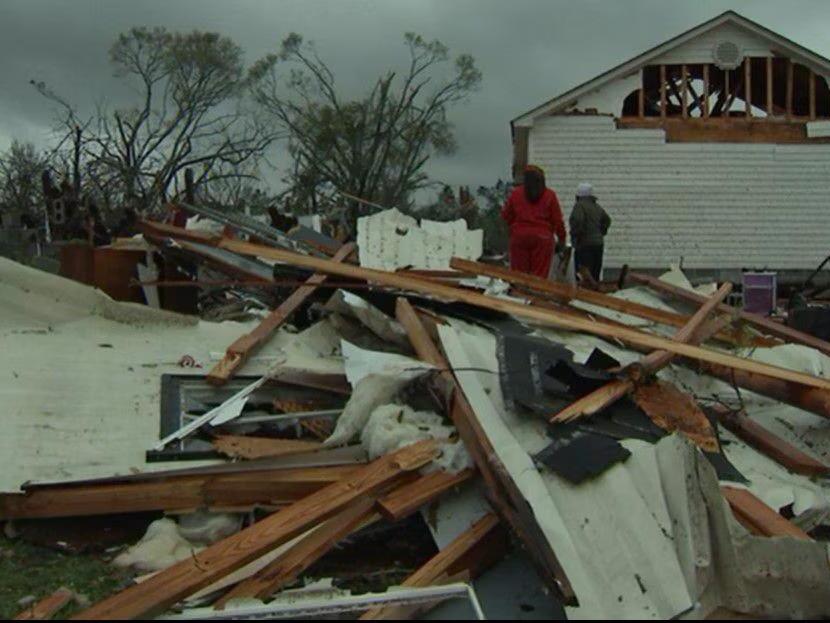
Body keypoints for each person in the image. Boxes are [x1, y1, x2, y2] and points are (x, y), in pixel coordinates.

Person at [501, 165, 566, 278]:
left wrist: (514, 229)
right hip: (543, 238)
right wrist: (562, 239)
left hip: (519, 237)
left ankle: (519, 293)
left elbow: (506, 215)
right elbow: (557, 220)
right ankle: (536, 293)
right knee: (539, 277)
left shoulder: (516, 194)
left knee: (519, 276)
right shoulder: (549, 195)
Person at [569, 182, 611, 283]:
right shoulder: (597, 207)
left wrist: (575, 235)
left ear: (578, 195)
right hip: (598, 244)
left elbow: (578, 220)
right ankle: (595, 293)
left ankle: (583, 296)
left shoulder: (579, 206)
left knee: (583, 275)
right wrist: (601, 233)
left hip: (584, 245)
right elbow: (607, 220)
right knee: (594, 274)